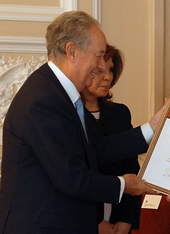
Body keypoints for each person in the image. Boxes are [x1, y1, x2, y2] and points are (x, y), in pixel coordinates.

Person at [0, 11, 158, 233]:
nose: (102, 66)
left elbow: (97, 149)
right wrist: (124, 185)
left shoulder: (61, 95)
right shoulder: (44, 99)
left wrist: (152, 127)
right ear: (72, 51)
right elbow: (73, 178)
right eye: (99, 55)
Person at [81, 44, 154, 234]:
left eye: (111, 70)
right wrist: (96, 222)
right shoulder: (69, 116)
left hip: (118, 221)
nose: (108, 77)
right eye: (99, 71)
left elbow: (131, 168)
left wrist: (126, 220)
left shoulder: (119, 113)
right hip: (82, 221)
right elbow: (74, 177)